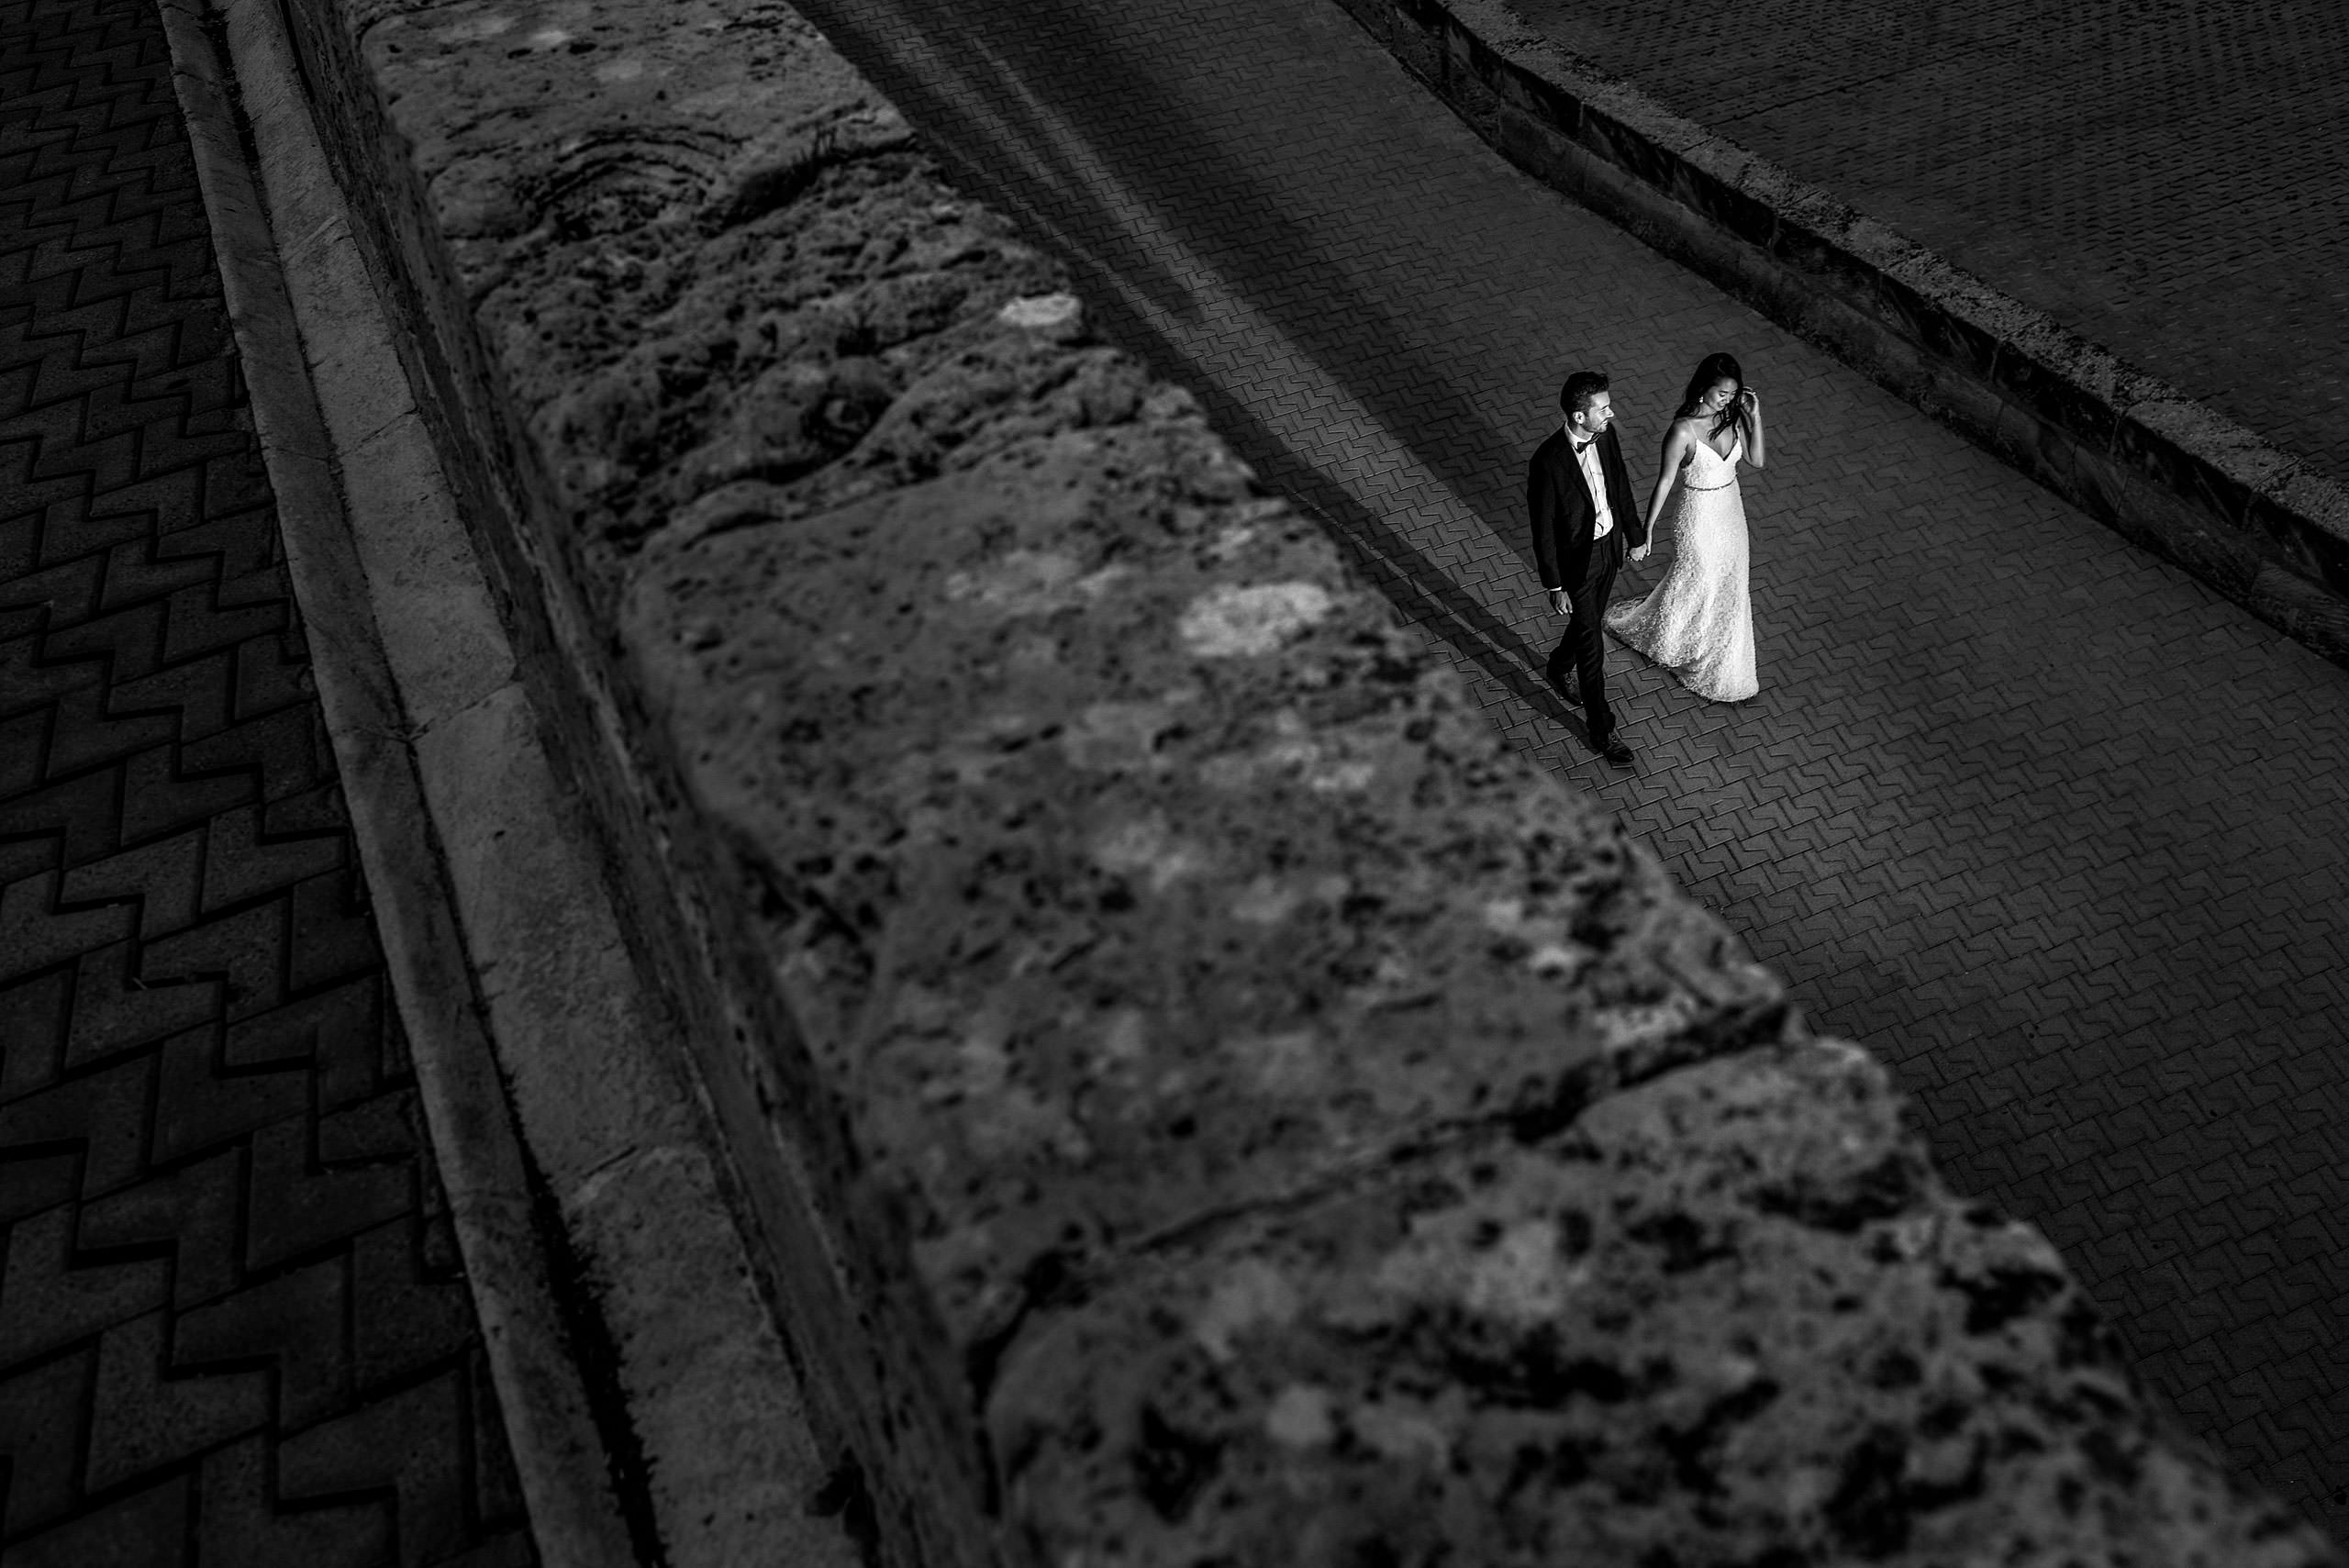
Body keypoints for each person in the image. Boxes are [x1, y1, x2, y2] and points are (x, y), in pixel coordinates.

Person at [1606, 351, 1765, 702]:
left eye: (1733, 394)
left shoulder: (1733, 416)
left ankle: (1720, 659)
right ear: (1702, 389)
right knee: (1700, 579)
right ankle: (1677, 641)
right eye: (1723, 393)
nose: (1729, 400)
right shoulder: (1682, 430)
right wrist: (1645, 533)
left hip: (1731, 511)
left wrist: (1754, 417)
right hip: (1699, 515)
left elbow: (1757, 460)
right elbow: (1663, 483)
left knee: (1732, 581)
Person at [1528, 370, 1647, 765]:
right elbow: (1542, 529)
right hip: (1576, 567)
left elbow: (1621, 485)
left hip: (1609, 549)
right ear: (1580, 416)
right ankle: (1602, 728)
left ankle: (1559, 666)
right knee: (1592, 645)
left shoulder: (1607, 436)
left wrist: (1635, 534)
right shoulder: (1547, 462)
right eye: (1603, 408)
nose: (1611, 413)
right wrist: (1554, 585)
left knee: (1587, 623)